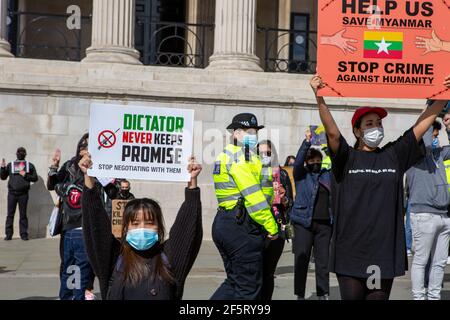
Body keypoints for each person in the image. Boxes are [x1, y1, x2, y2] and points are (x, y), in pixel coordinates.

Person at [310, 74, 450, 300]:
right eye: (369, 123)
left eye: (379, 123)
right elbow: (333, 134)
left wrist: (444, 97)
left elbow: (420, 125)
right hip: (350, 250)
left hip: (383, 251)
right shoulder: (347, 158)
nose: (376, 127)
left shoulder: (393, 155)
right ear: (357, 131)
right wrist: (320, 98)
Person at [80, 154, 203, 300]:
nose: (142, 228)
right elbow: (96, 226)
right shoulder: (113, 259)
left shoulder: (169, 258)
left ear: (159, 228)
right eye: (135, 223)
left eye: (150, 223)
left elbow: (188, 228)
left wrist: (192, 180)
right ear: (126, 228)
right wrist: (88, 176)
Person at [211, 113, 278, 300]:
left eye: (255, 131)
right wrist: (271, 226)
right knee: (248, 289)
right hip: (240, 225)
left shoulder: (229, 155)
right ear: (237, 133)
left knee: (234, 282)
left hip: (226, 222)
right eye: (249, 131)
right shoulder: (241, 158)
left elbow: (264, 190)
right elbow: (254, 198)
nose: (254, 135)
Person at [47, 134, 95, 300]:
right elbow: (52, 185)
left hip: (86, 224)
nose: (85, 149)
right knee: (68, 265)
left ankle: (82, 292)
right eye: (82, 146)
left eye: (88, 146)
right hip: (68, 224)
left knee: (84, 266)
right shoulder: (69, 165)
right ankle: (68, 295)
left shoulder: (96, 166)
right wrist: (54, 167)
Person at [407, 120, 450, 300]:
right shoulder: (413, 155)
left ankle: (434, 296)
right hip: (423, 214)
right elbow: (420, 138)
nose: (435, 139)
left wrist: (449, 128)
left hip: (444, 215)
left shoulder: (438, 154)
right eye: (433, 134)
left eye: (436, 136)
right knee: (421, 260)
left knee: (439, 263)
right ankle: (419, 297)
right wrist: (429, 121)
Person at [291, 130, 333, 300]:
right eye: (312, 161)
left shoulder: (327, 176)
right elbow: (298, 161)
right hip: (303, 224)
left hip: (324, 225)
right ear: (307, 162)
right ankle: (300, 294)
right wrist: (307, 142)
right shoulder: (302, 175)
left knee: (323, 263)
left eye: (318, 160)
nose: (316, 163)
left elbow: (338, 162)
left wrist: (326, 145)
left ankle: (322, 293)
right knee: (302, 260)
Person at [258, 140, 293, 300]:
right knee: (254, 273)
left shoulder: (282, 174)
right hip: (256, 229)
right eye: (261, 153)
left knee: (268, 273)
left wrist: (284, 197)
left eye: (268, 153)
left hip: (276, 229)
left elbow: (290, 204)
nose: (265, 156)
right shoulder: (251, 172)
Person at [1, 147, 38, 241]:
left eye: (22, 152)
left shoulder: (29, 166)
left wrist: (25, 174)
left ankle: (24, 234)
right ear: (16, 154)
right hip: (12, 194)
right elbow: (3, 177)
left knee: (23, 215)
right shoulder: (10, 165)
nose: (20, 154)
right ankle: (8, 234)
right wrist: (2, 168)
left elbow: (35, 178)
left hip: (23, 194)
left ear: (25, 154)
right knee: (10, 214)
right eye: (19, 152)